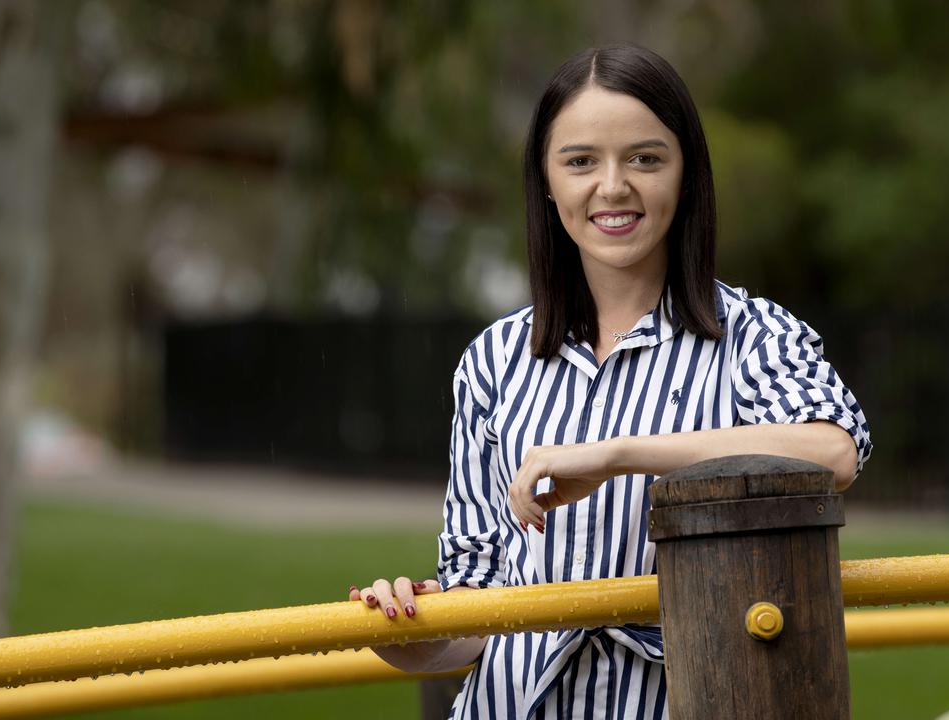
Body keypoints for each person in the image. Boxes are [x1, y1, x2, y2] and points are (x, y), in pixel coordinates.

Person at [350, 43, 872, 718]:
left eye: (646, 158)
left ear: (686, 176)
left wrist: (619, 454)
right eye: (580, 161)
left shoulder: (752, 334)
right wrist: (406, 631)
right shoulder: (493, 359)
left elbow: (833, 451)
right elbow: (477, 605)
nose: (614, 186)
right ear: (545, 179)